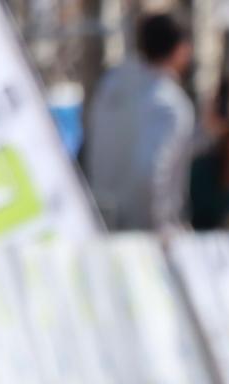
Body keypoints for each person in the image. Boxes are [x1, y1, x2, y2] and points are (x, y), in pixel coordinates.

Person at [82, 12, 195, 231]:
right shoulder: (171, 106)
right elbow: (151, 173)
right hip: (144, 232)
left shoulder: (110, 84)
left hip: (98, 217)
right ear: (180, 49)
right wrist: (163, 226)